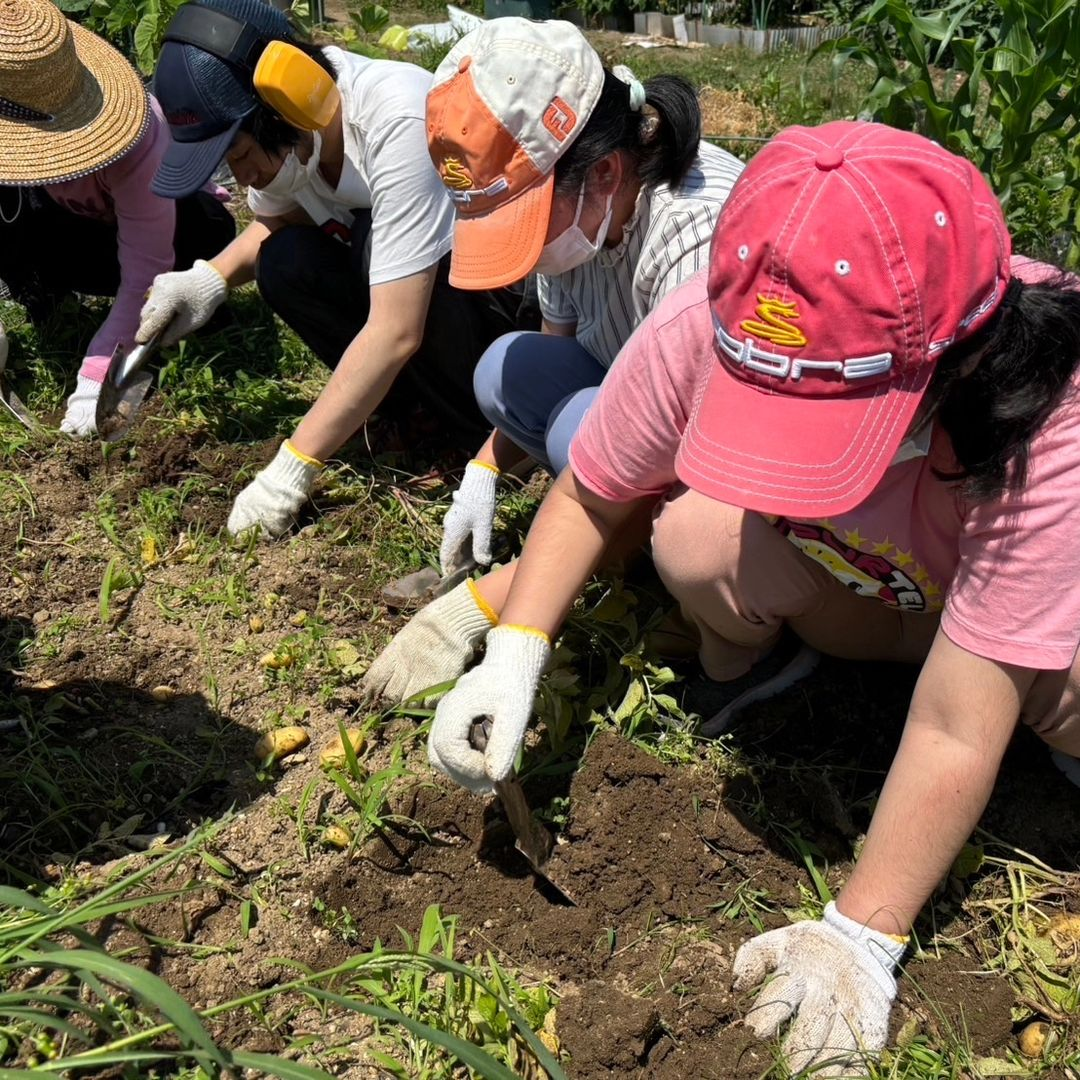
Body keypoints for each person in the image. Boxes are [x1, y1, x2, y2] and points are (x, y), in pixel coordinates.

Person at [366, 121, 1080, 1075]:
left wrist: (862, 933)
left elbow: (960, 716)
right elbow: (592, 492)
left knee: (1056, 697)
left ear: (955, 358)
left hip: (1025, 646)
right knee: (697, 535)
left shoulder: (1048, 411)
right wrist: (514, 645)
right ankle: (809, 667)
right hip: (890, 591)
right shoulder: (725, 317)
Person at [139, 0, 536, 538]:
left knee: (375, 244)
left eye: (240, 154)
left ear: (284, 102)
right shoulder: (296, 143)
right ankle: (414, 413)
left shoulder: (395, 117)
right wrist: (209, 279)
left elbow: (396, 330)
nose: (245, 179)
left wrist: (293, 467)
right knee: (285, 260)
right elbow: (281, 220)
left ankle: (484, 435)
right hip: (420, 302)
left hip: (508, 312)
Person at [425, 17, 744, 578]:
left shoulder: (695, 229)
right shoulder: (583, 220)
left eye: (525, 219)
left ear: (603, 173)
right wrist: (484, 470)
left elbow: (701, 430)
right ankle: (610, 522)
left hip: (716, 451)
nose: (524, 247)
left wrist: (522, 584)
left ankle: (651, 561)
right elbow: (555, 354)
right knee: (507, 368)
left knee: (580, 425)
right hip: (635, 397)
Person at [0, 0, 235, 436]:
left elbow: (147, 267)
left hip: (170, 235)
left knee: (208, 234)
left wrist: (97, 372)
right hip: (81, 229)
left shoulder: (139, 139)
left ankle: (185, 314)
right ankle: (46, 300)